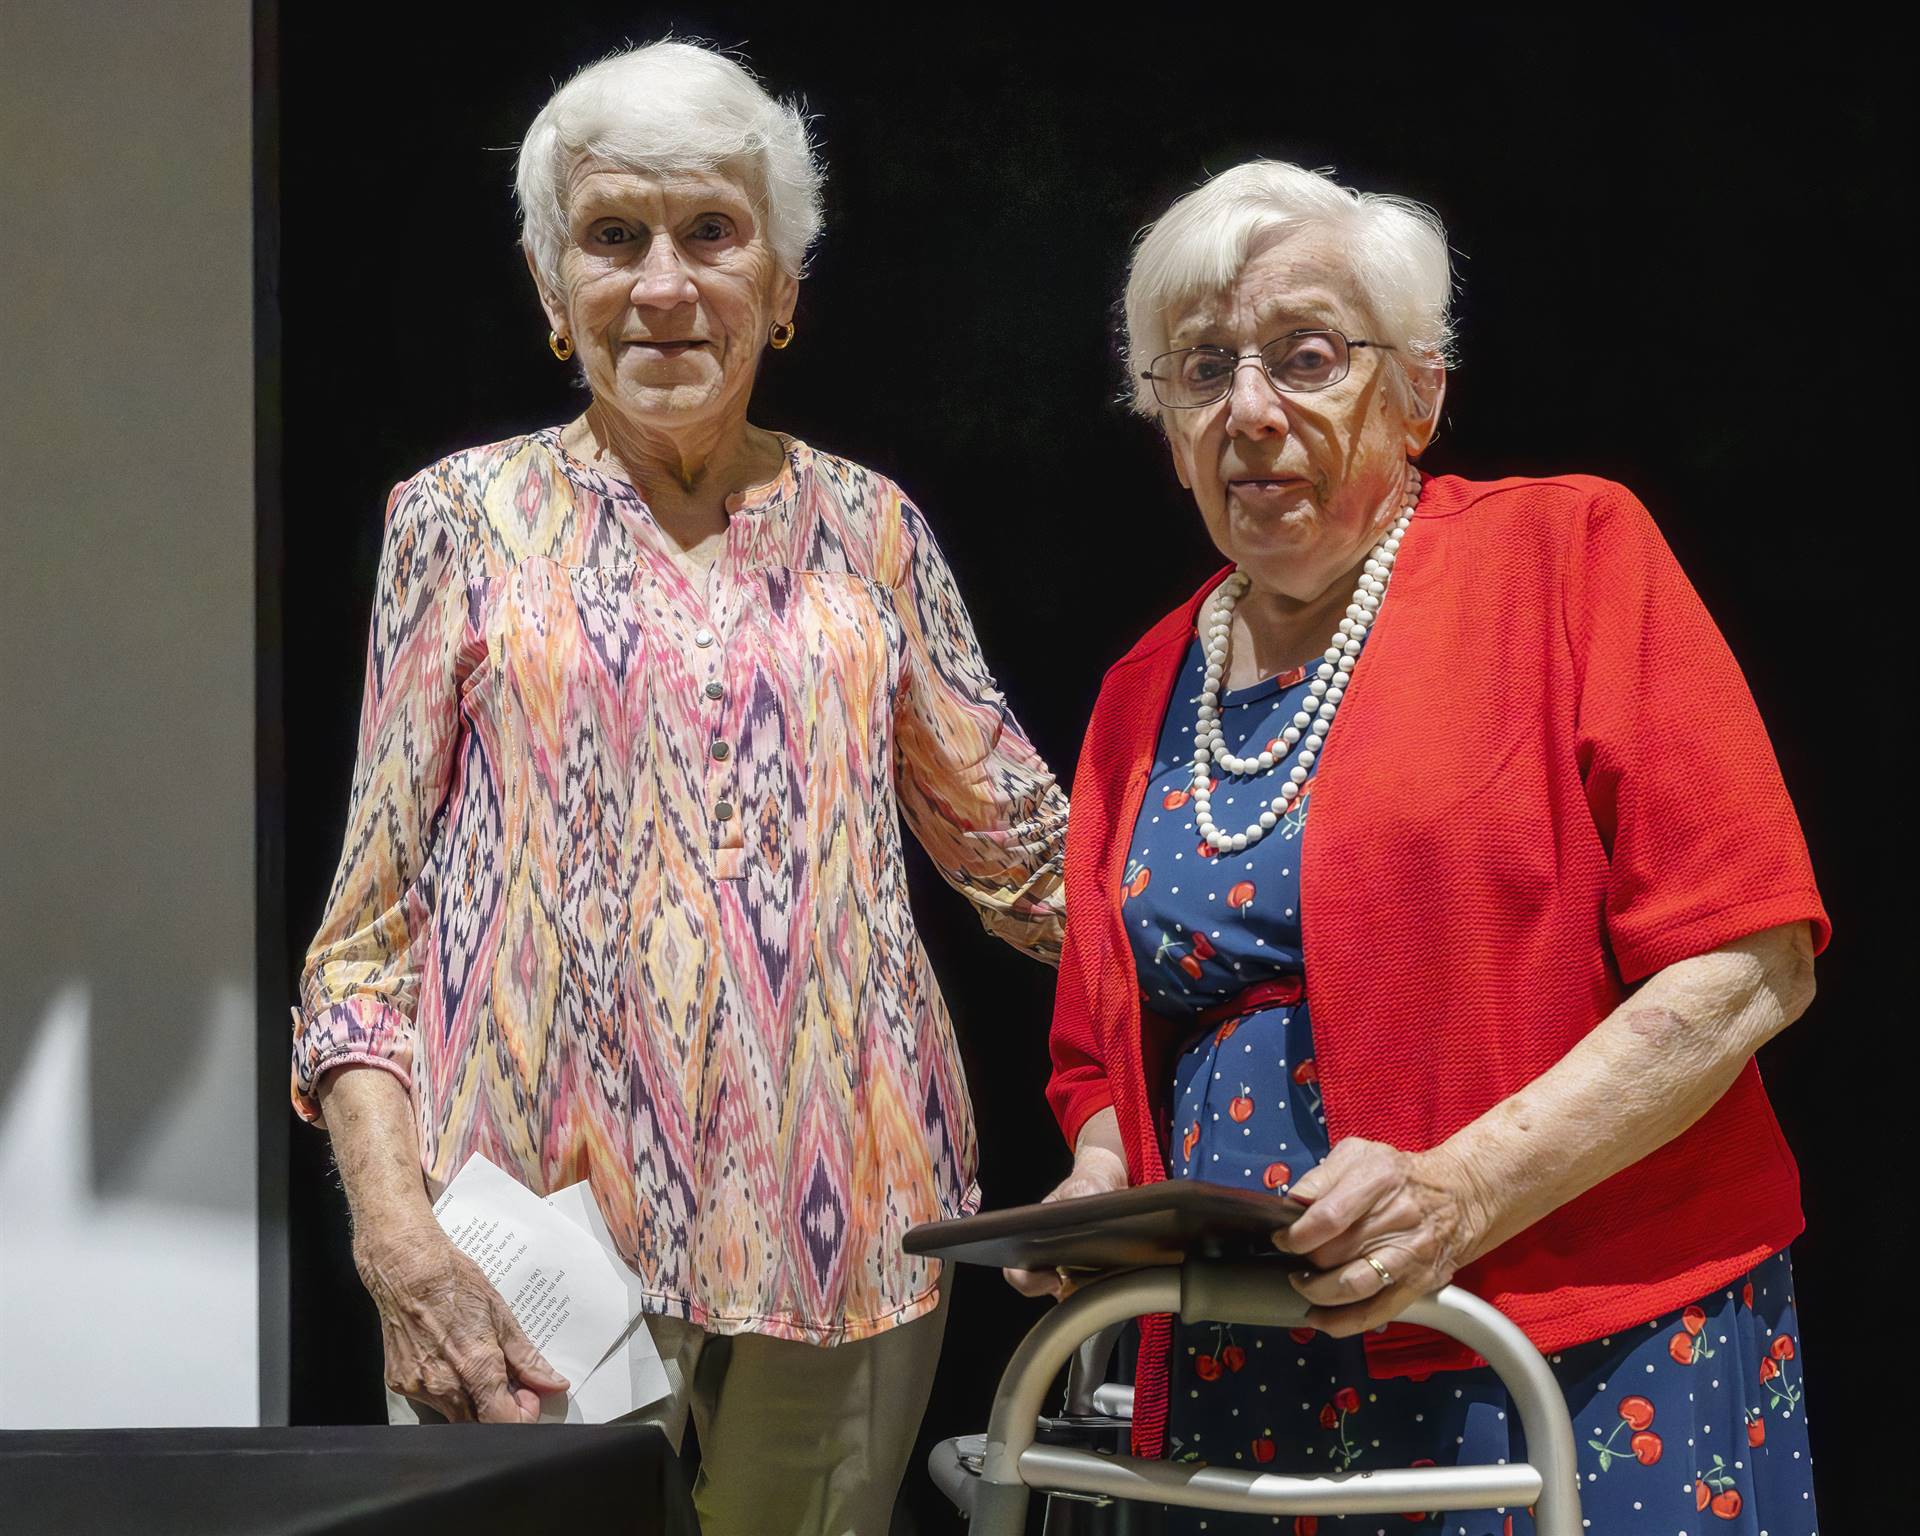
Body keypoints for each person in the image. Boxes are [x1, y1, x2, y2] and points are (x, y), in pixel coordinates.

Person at [290, 40, 1066, 1533]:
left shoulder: (871, 529)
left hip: (853, 1234)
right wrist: (397, 1239)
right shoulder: (457, 522)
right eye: (613, 238)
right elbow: (363, 946)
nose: (664, 285)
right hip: (528, 1258)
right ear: (547, 286)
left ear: (784, 284)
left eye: (713, 234)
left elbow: (1032, 867)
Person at [1007, 160, 1826, 1534]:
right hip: (1246, 1371)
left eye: (1306, 356)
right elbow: (1097, 1052)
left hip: (1571, 1342)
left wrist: (1462, 1187)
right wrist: (1102, 1186)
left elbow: (1749, 964)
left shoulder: (1568, 556)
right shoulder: (1140, 688)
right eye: (1201, 370)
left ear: (1419, 392)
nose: (1250, 411)